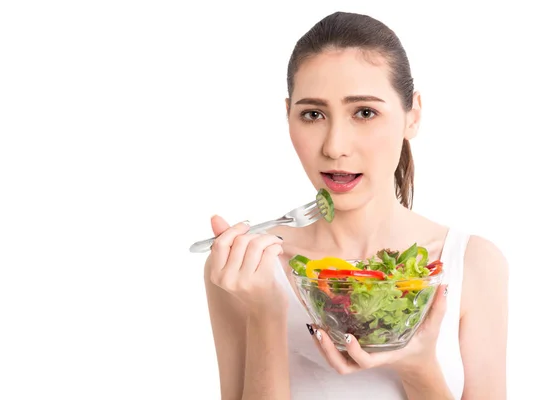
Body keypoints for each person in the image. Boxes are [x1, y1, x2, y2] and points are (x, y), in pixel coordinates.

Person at [202, 11, 508, 400]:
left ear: (411, 116)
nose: (334, 146)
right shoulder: (243, 268)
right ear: (288, 116)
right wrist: (267, 315)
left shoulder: (474, 263)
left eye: (365, 112)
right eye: (313, 114)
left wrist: (417, 368)